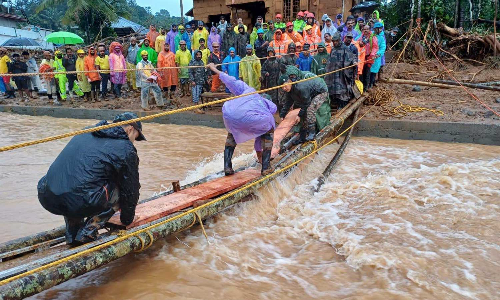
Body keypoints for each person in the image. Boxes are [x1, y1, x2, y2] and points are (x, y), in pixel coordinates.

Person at [37, 112, 145, 245]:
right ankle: (89, 230)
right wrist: (127, 219)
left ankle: (72, 233)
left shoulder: (87, 131)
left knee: (73, 180)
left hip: (47, 196)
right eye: (136, 137)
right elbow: (131, 190)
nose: (134, 141)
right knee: (122, 186)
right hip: (79, 200)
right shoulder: (126, 148)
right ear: (130, 129)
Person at [207, 63, 276, 176]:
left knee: (232, 133)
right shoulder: (267, 105)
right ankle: (266, 167)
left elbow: (230, 80)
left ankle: (227, 167)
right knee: (269, 128)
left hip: (230, 113)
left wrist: (213, 68)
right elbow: (264, 128)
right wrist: (259, 153)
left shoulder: (247, 90)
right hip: (254, 119)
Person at [280, 65, 330, 143]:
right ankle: (302, 137)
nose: (284, 89)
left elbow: (306, 103)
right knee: (302, 113)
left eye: (285, 86)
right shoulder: (289, 90)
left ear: (289, 82)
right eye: (282, 87)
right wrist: (282, 115)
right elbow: (288, 103)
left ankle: (312, 133)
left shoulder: (301, 86)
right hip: (310, 93)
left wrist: (299, 115)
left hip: (321, 92)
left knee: (310, 110)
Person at [324, 32, 356, 109]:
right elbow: (330, 60)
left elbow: (352, 57)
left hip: (342, 73)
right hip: (333, 73)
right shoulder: (333, 49)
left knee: (341, 89)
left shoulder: (345, 48)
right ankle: (334, 102)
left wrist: (354, 62)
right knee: (333, 88)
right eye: (333, 41)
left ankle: (342, 104)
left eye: (336, 41)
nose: (335, 43)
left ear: (339, 40)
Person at [369, 22, 386, 89]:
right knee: (368, 70)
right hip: (369, 55)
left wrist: (378, 54)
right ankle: (368, 83)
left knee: (374, 70)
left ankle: (372, 83)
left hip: (376, 57)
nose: (380, 30)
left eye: (381, 29)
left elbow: (383, 47)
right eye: (378, 29)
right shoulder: (371, 35)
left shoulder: (381, 37)